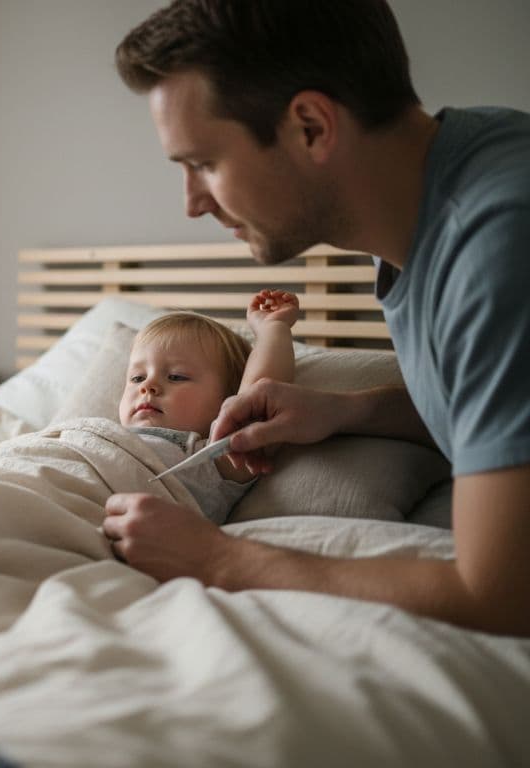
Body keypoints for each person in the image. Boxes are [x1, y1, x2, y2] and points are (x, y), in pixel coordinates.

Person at [102, 0, 530, 637]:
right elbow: (496, 401)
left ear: (310, 126)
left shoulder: (499, 247)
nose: (192, 203)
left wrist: (216, 558)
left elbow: (501, 597)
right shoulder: (461, 180)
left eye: (204, 163)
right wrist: (348, 411)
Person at [118, 289, 300, 524]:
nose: (148, 386)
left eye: (176, 376)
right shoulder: (109, 433)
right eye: (137, 378)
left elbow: (260, 396)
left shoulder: (209, 461)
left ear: (229, 401)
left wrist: (273, 328)